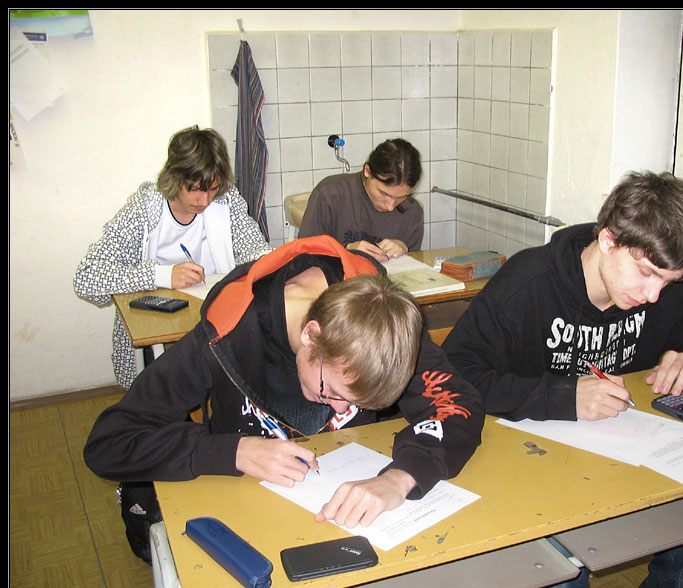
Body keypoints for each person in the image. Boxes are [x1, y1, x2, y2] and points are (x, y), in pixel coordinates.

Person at [443, 171, 683, 588]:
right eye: (646, 274)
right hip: (531, 471)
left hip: (625, 465)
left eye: (667, 282)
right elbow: (454, 375)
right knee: (556, 577)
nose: (653, 295)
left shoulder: (663, 292)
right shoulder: (528, 283)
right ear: (608, 240)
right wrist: (563, 396)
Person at [84, 235, 484, 533]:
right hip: (245, 515)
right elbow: (109, 442)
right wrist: (233, 451)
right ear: (311, 336)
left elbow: (458, 403)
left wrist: (401, 477)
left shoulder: (379, 325)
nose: (341, 410)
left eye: (355, 402)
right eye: (334, 392)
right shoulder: (226, 335)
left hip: (341, 519)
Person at [74, 125, 272, 389]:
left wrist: (269, 263)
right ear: (175, 178)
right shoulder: (144, 209)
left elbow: (256, 250)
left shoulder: (225, 202)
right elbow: (86, 278)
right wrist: (163, 275)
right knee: (169, 384)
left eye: (212, 189)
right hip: (158, 332)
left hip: (212, 322)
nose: (204, 200)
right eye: (195, 189)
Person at [298, 138, 424, 262]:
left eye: (401, 197)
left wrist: (404, 249)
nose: (390, 206)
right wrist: (345, 251)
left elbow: (413, 269)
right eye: (384, 193)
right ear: (367, 171)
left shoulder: (412, 212)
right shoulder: (330, 195)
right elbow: (303, 257)